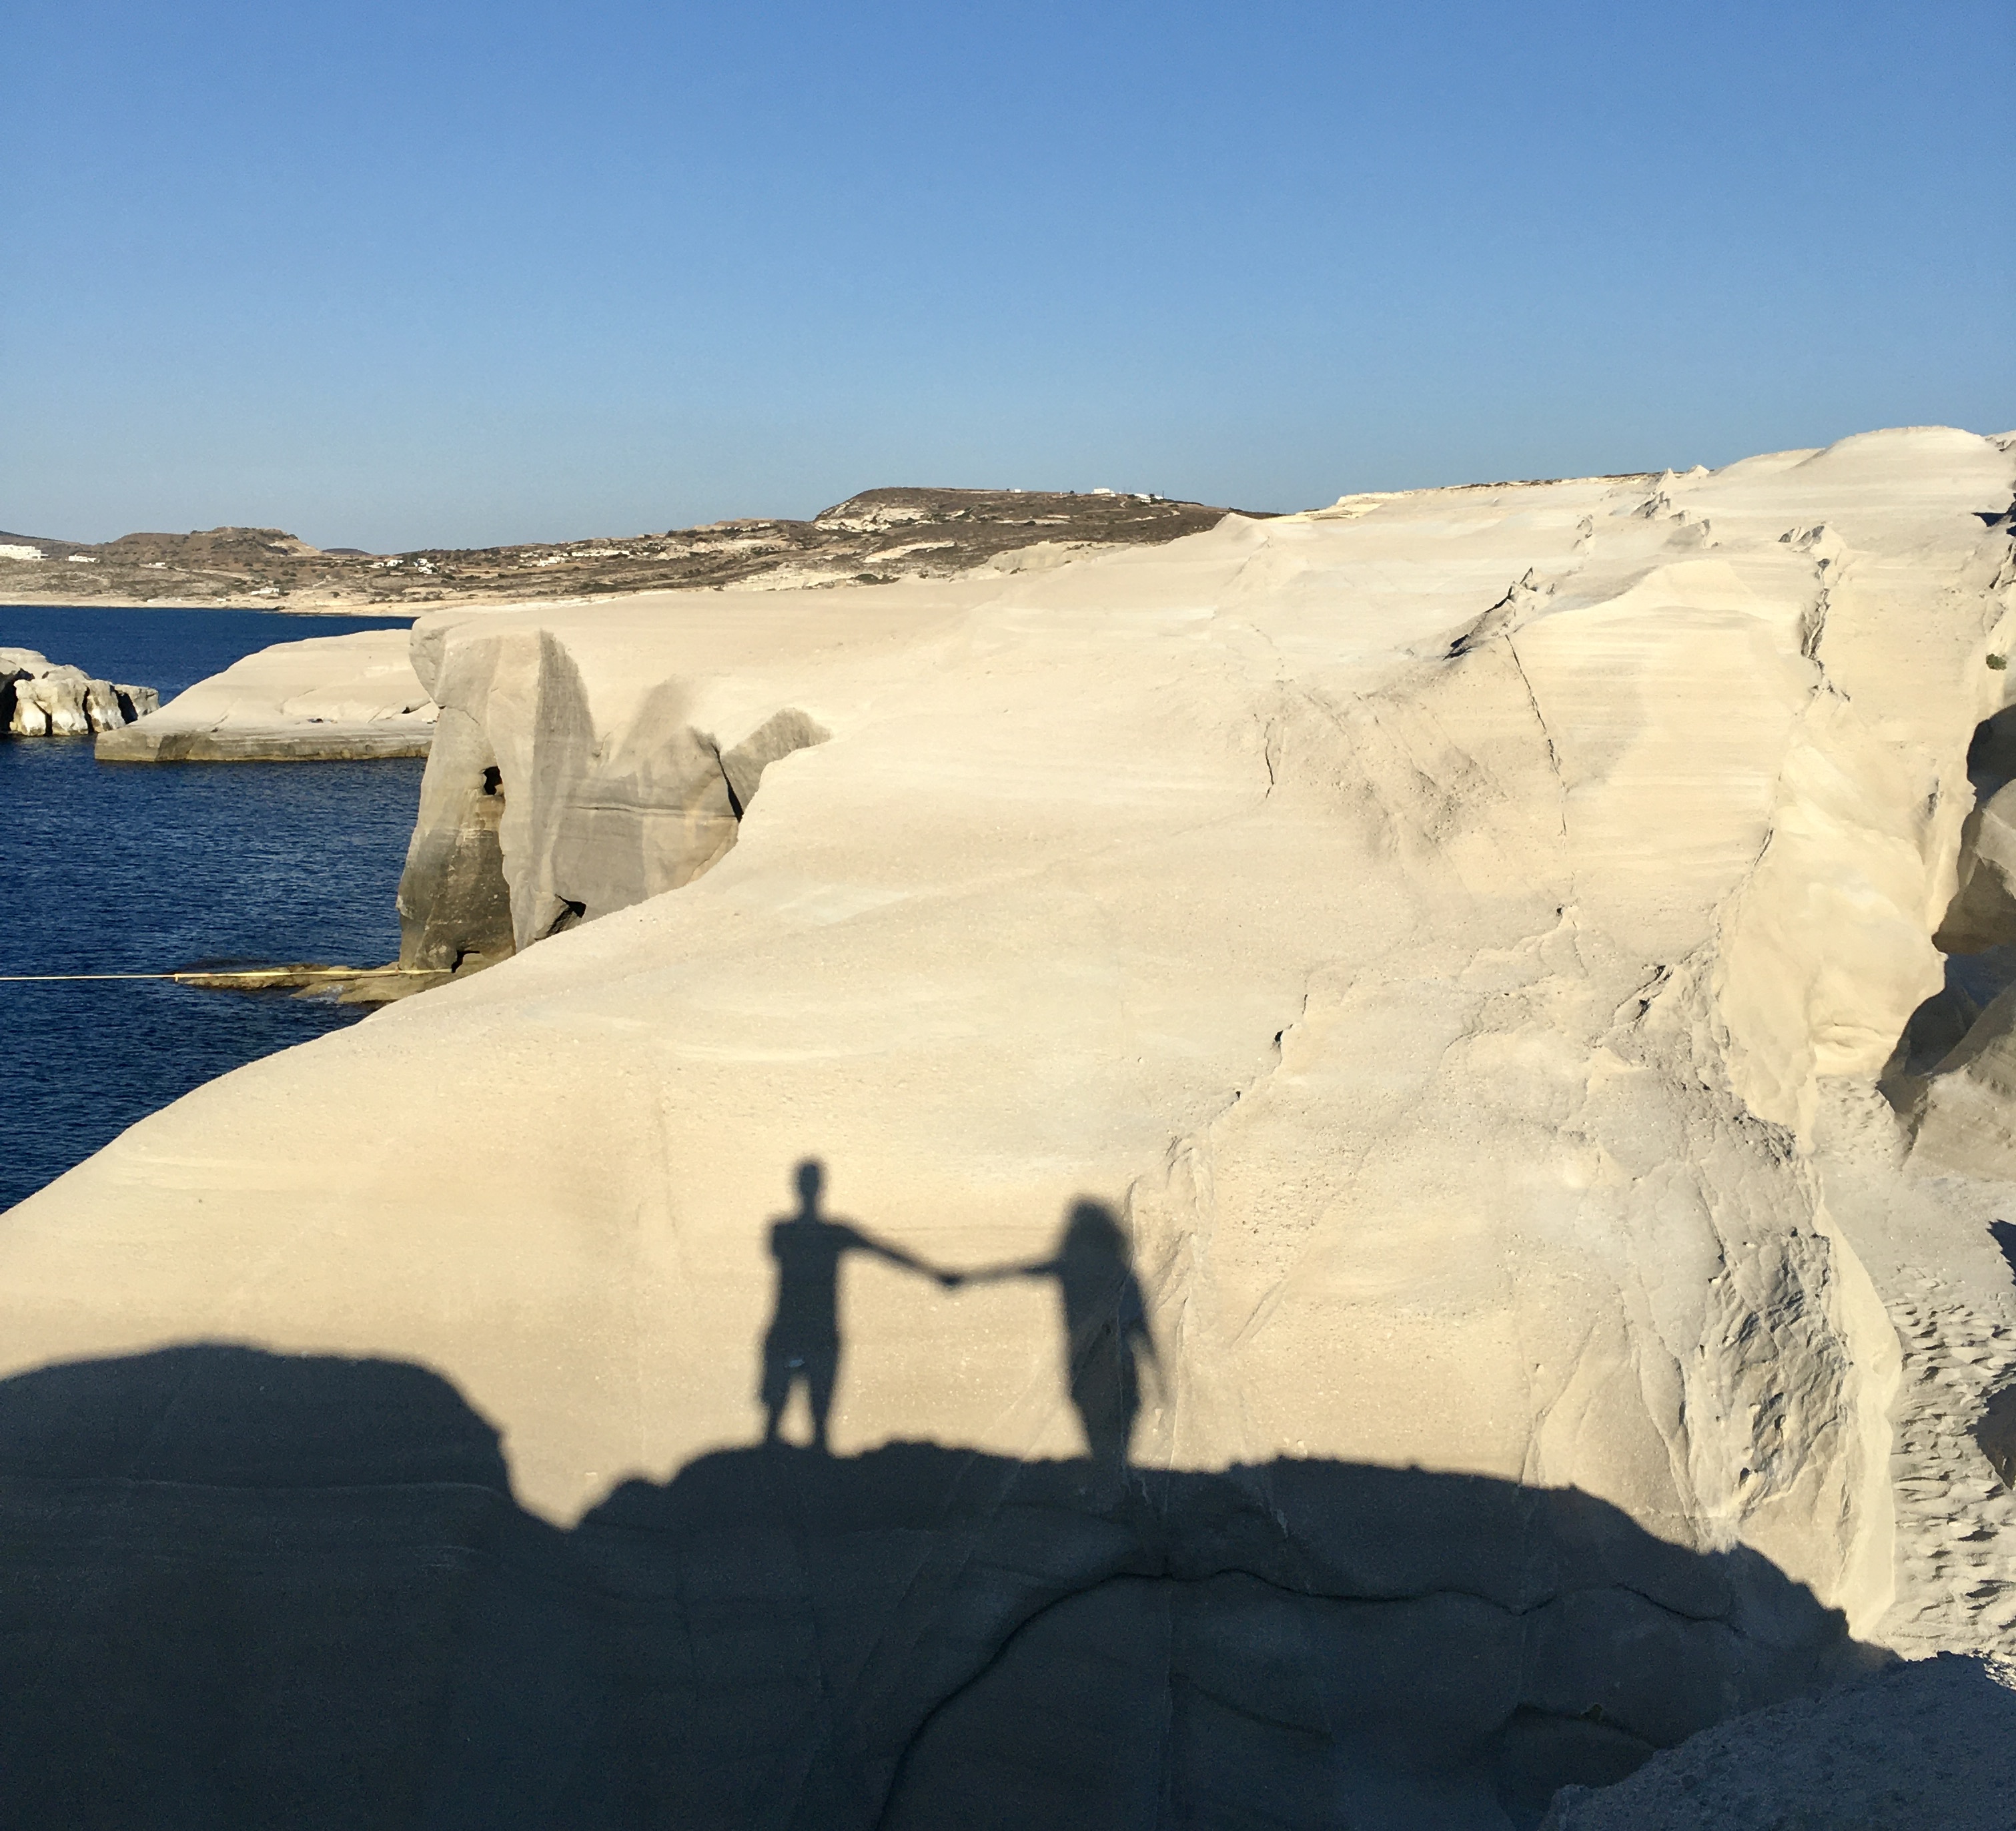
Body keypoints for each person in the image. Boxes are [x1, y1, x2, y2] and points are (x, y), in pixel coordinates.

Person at [759, 1158, 953, 1452]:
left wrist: (932, 1272)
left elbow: (884, 1251)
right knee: (783, 1417)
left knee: (815, 1419)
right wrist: (934, 1273)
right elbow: (883, 1251)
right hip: (799, 1333)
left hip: (807, 1334)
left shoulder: (804, 1232)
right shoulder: (790, 1231)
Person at [954, 1200, 1158, 1472]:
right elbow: (1142, 1329)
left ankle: (1107, 1485)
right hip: (1121, 1366)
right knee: (1117, 1447)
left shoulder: (1072, 1264)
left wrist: (965, 1279)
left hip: (1085, 1366)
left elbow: (1019, 1271)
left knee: (1099, 1444)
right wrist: (1160, 1375)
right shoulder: (1121, 1271)